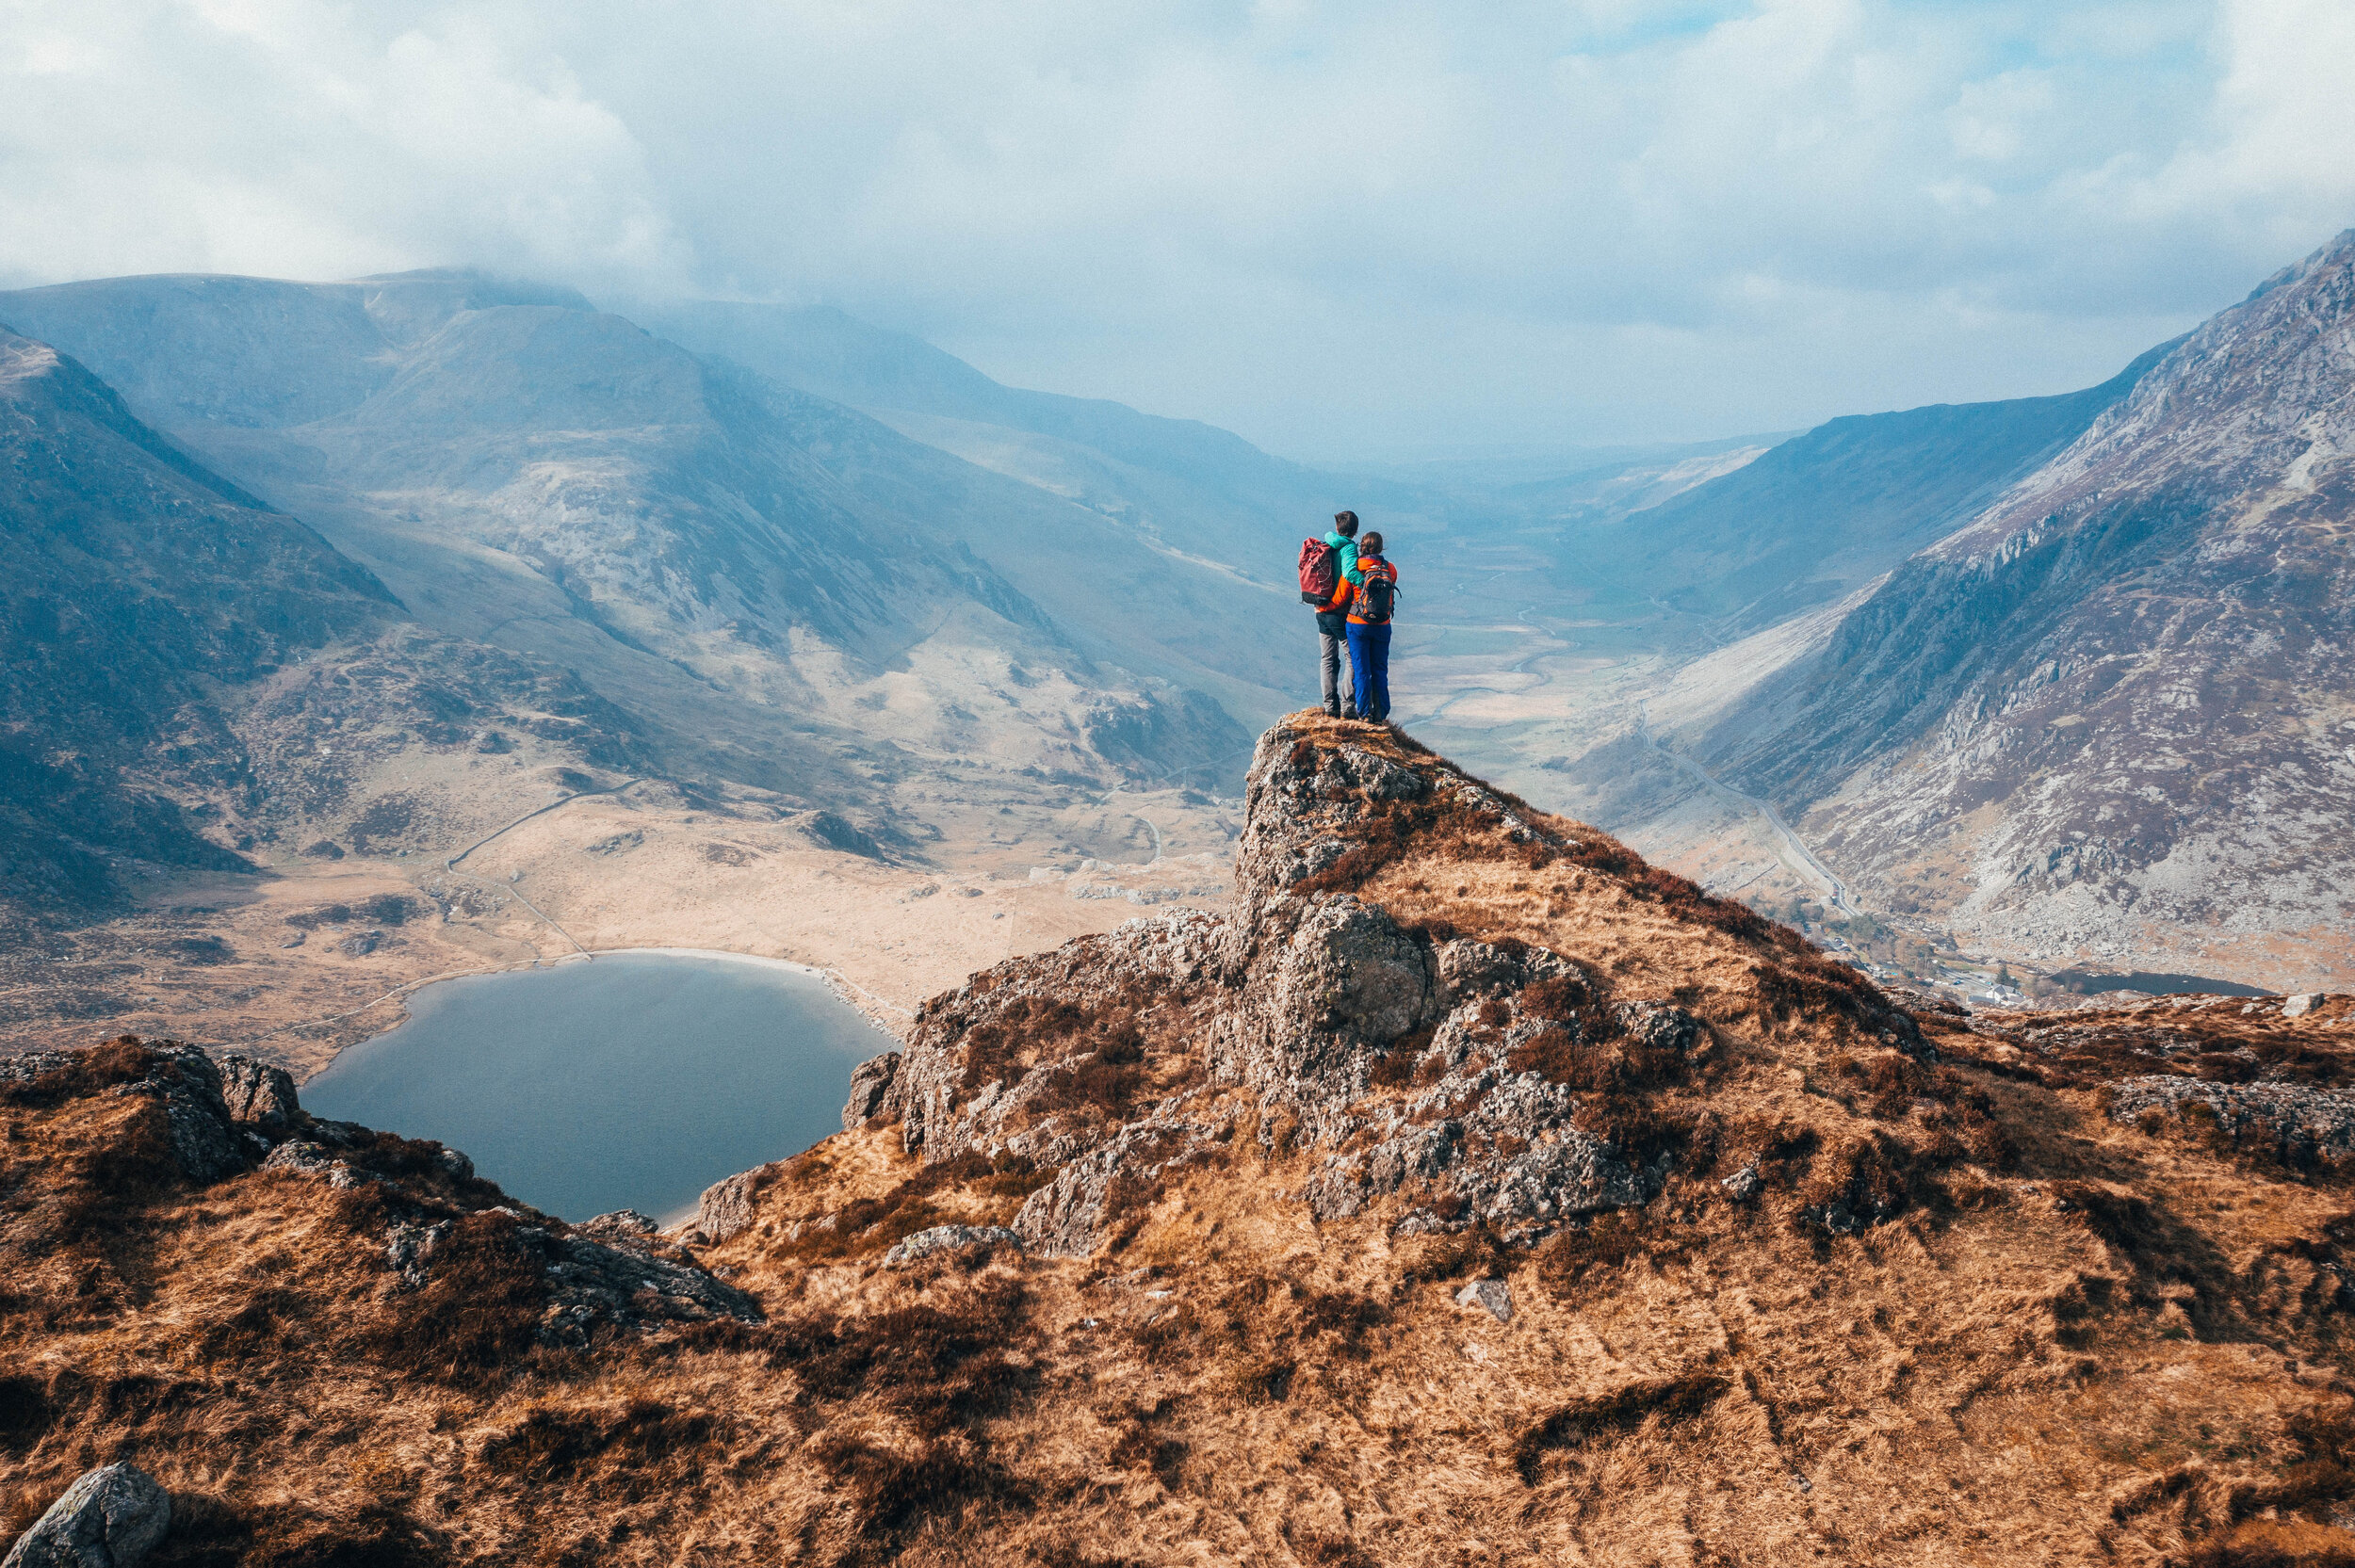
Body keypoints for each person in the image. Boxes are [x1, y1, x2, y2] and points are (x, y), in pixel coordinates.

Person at [1308, 510, 1362, 718]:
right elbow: (1349, 573)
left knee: (1328, 658)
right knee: (1353, 657)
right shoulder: (1348, 547)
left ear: (1338, 527)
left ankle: (1330, 707)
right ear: (1355, 530)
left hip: (1320, 608)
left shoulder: (1327, 542)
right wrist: (1365, 584)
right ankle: (1348, 707)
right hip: (1339, 610)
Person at [1340, 529, 1398, 723]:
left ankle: (1364, 713)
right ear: (1381, 547)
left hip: (1358, 625)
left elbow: (1342, 594)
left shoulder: (1355, 568)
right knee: (1380, 669)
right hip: (1382, 625)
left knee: (1361, 670)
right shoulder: (1390, 569)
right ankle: (1381, 712)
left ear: (1362, 547)